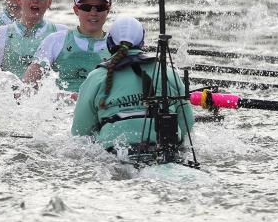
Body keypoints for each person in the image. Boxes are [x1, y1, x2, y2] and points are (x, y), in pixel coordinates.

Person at [71, 16, 195, 152]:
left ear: (109, 43)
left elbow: (80, 131)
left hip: (115, 152)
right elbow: (187, 123)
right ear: (142, 43)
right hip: (165, 149)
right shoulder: (167, 72)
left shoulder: (96, 77)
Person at [23, 0, 112, 97]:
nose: (93, 13)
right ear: (76, 10)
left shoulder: (116, 45)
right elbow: (28, 87)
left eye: (100, 7)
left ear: (108, 10)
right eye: (86, 7)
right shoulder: (55, 40)